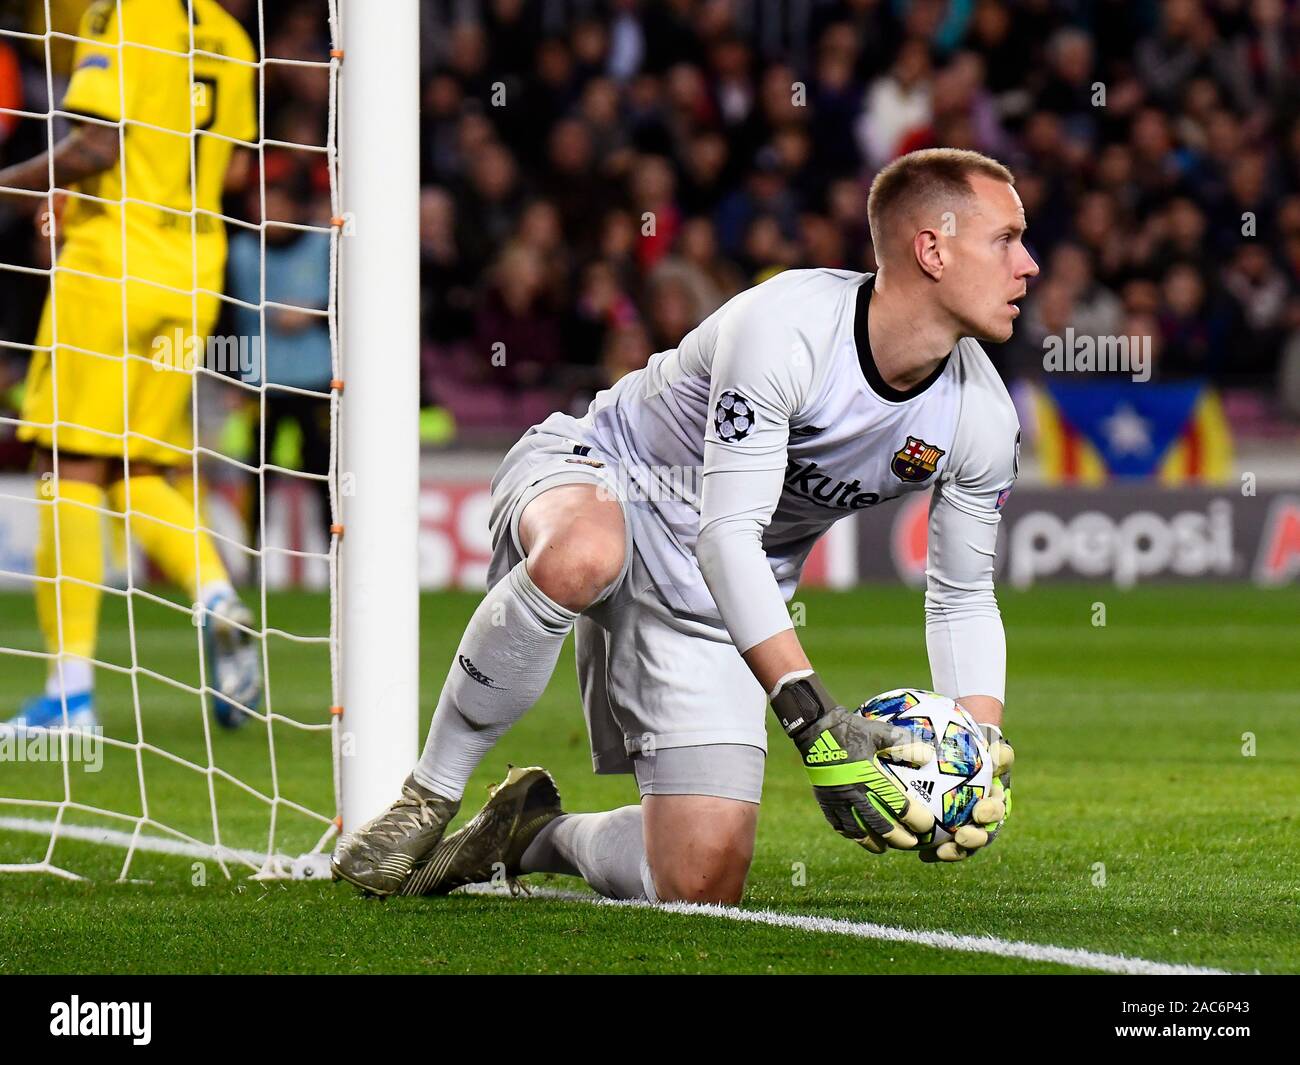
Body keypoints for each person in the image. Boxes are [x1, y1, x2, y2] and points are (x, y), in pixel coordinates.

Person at [333, 148, 1032, 903]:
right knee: (585, 552)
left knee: (699, 882)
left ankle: (525, 832)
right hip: (603, 474)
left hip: (711, 599)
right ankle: (428, 795)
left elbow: (961, 594)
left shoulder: (982, 418)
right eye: (1007, 239)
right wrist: (814, 720)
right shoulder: (788, 329)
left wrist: (975, 751)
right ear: (932, 248)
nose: (1028, 265)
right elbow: (728, 533)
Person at [1, 0, 260, 731]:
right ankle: (215, 595)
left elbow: (97, 145)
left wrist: (10, 184)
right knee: (136, 467)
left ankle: (69, 694)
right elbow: (236, 165)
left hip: (113, 263)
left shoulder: (122, 11)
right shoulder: (234, 37)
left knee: (70, 461)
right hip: (195, 268)